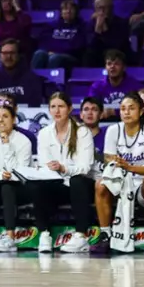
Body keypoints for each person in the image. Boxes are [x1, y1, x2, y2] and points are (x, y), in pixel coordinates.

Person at [96, 92, 144, 255]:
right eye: (123, 108)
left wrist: (129, 167)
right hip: (120, 182)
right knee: (100, 184)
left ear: (141, 111)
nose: (126, 112)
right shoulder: (113, 130)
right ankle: (105, 234)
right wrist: (123, 168)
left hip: (141, 184)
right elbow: (110, 164)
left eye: (131, 108)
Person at [31, 91, 95, 253]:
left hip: (82, 184)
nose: (57, 111)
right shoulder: (44, 133)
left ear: (70, 109)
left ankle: (81, 236)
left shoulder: (82, 132)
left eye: (61, 106)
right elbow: (45, 164)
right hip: (57, 183)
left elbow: (85, 167)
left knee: (76, 180)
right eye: (53, 107)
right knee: (39, 186)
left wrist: (64, 168)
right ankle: (44, 234)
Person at [0, 102, 34, 252]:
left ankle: (10, 236)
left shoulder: (24, 141)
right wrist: (2, 175)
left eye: (5, 116)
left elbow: (20, 170)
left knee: (7, 187)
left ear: (14, 119)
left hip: (20, 186)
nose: (1, 120)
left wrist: (6, 145)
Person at [0, 38, 48, 107]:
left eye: (12, 53)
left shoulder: (31, 78)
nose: (9, 57)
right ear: (0, 56)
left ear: (18, 55)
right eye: (5, 53)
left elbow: (35, 105)